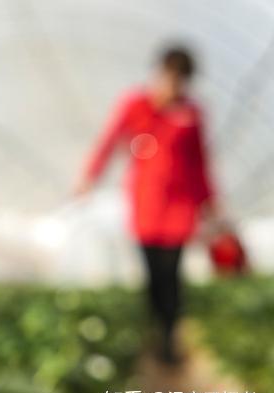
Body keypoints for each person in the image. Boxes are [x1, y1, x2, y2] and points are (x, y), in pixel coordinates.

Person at [74, 45, 217, 364]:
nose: (173, 87)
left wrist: (211, 203)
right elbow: (109, 141)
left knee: (172, 273)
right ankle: (156, 329)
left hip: (181, 207)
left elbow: (200, 163)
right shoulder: (135, 105)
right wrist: (89, 177)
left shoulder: (192, 115)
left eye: (181, 81)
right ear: (159, 73)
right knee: (153, 273)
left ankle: (169, 336)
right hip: (146, 204)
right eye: (169, 77)